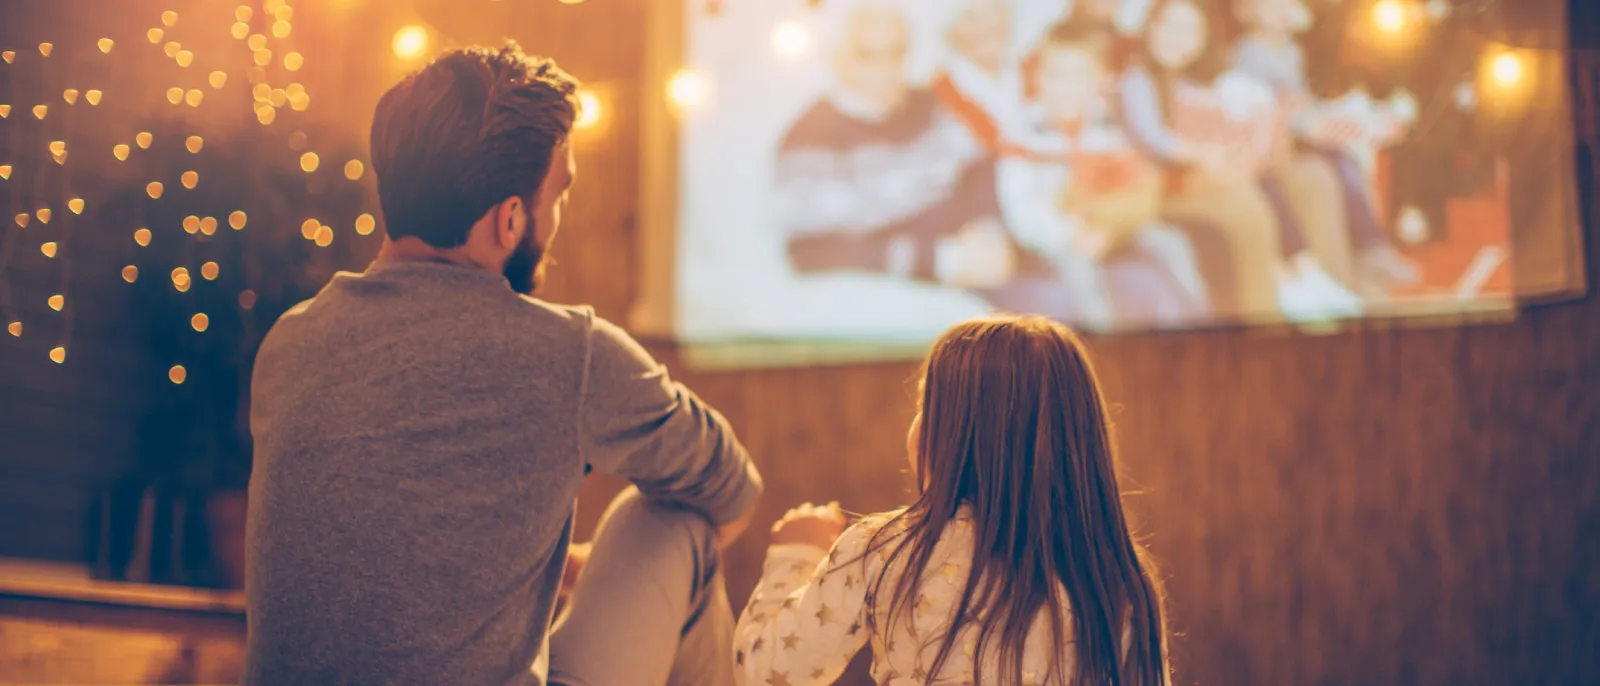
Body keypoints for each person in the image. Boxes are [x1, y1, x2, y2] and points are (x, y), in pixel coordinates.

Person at [244, 43, 761, 686]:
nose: (560, 213)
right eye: (559, 193)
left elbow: (383, 540)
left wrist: (550, 565)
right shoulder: (570, 354)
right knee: (673, 521)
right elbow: (732, 491)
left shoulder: (292, 342)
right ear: (511, 219)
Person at [733, 315, 1170, 685]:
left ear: (954, 433)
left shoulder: (884, 549)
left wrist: (795, 553)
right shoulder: (1118, 578)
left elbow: (768, 671)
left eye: (927, 404)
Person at [1119, 0, 1362, 322]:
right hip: (1170, 187)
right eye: (1168, 25)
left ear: (1202, 39)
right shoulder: (1137, 79)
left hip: (1213, 172)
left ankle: (1327, 287)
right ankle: (1266, 315)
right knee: (1247, 203)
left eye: (1189, 29)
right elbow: (1154, 140)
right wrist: (1206, 154)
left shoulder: (1198, 82)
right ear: (1150, 28)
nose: (1176, 37)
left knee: (1310, 178)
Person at [998, 19, 1210, 330]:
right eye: (1057, 75)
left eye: (1079, 76)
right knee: (1081, 269)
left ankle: (1200, 329)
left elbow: (1125, 186)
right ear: (1039, 80)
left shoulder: (1105, 126)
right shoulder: (1022, 135)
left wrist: (1109, 229)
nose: (1067, 87)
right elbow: (1021, 213)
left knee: (1170, 242)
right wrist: (1070, 234)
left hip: (1104, 226)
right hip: (1052, 239)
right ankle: (1105, 343)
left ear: (1098, 82)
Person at [1230, 0, 1423, 295]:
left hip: (1300, 138)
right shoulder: (1247, 54)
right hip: (1272, 145)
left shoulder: (1292, 51)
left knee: (1345, 159)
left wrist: (1325, 120)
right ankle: (1351, 265)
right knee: (1326, 170)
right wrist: (1306, 124)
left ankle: (1371, 250)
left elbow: (1300, 100)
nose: (1278, 9)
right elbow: (1258, 108)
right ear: (1246, 10)